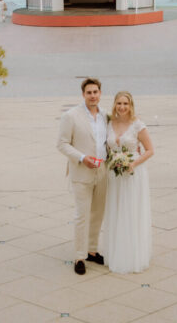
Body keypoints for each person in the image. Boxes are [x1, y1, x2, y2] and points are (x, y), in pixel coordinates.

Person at [57, 77, 108, 275]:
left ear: (100, 93)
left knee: (98, 214)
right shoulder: (70, 116)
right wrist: (82, 157)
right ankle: (79, 256)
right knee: (82, 215)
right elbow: (62, 144)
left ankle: (92, 250)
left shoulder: (105, 115)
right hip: (81, 172)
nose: (92, 96)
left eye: (95, 92)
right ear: (83, 94)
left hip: (102, 172)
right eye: (89, 93)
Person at [102, 91, 154, 273]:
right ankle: (116, 251)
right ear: (114, 105)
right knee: (116, 210)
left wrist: (133, 164)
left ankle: (133, 255)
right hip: (114, 174)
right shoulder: (109, 123)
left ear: (131, 106)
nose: (122, 107)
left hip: (133, 173)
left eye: (125, 104)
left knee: (131, 211)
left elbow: (150, 150)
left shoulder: (137, 125)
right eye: (119, 103)